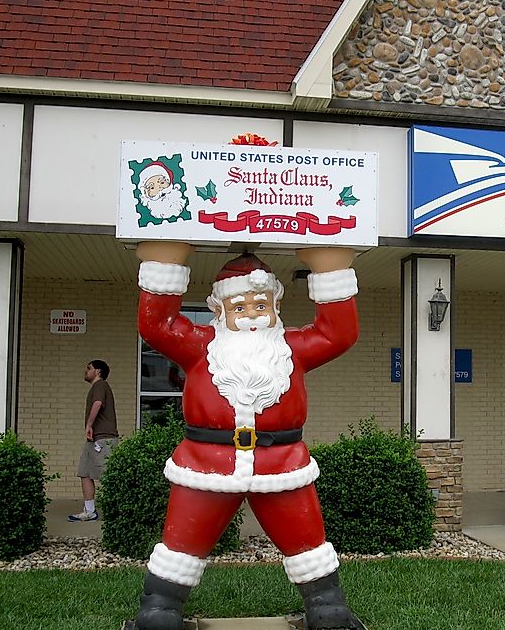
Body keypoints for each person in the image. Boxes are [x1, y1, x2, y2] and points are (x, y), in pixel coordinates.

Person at [127, 242, 365, 630]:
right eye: (240, 307)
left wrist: (329, 268)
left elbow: (338, 333)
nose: (252, 315)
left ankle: (326, 605)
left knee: (306, 538)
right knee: (183, 540)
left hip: (281, 465)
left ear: (275, 308)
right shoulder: (200, 346)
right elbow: (157, 326)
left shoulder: (291, 348)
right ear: (220, 311)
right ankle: (161, 607)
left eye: (261, 305)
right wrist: (164, 261)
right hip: (206, 465)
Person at [68, 359, 119, 522]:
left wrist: (89, 425)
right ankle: (89, 511)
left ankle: (119, 511)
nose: (86, 370)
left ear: (98, 371)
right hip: (94, 440)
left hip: (104, 439)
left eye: (89, 368)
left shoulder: (100, 385)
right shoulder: (96, 387)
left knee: (108, 475)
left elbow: (98, 403)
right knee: (85, 472)